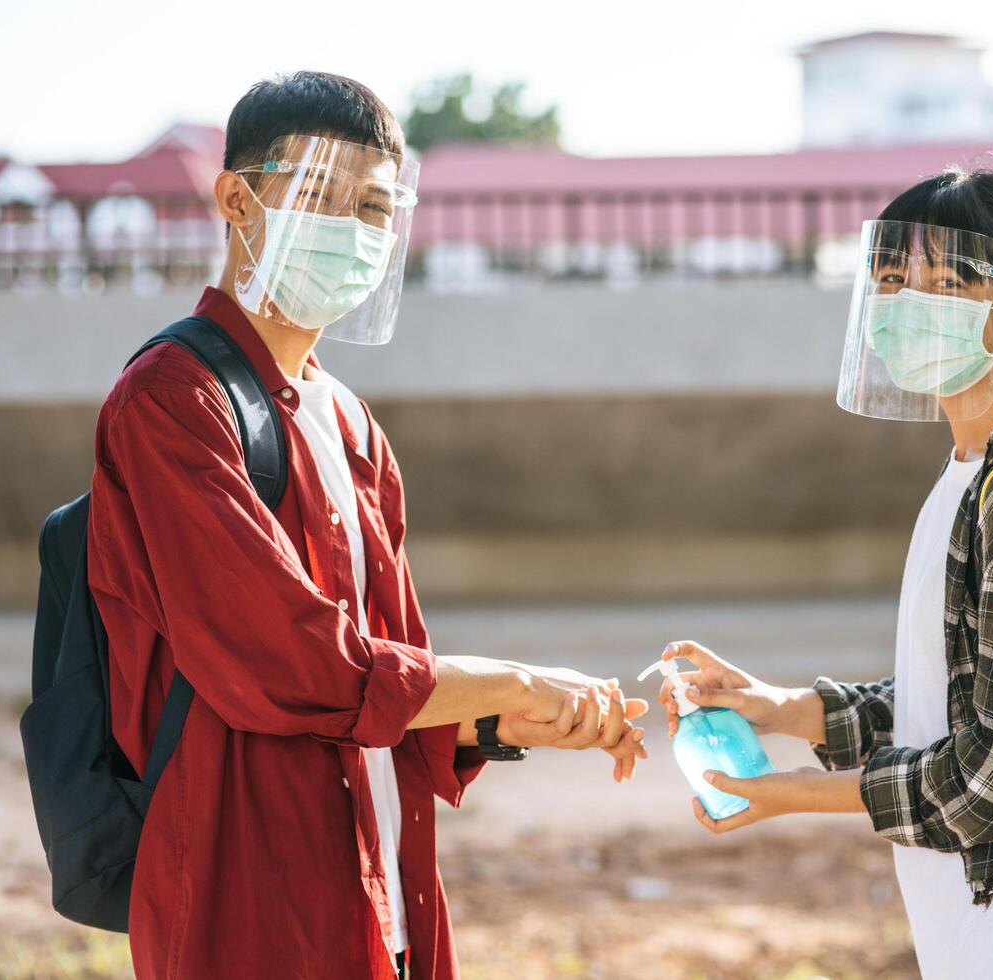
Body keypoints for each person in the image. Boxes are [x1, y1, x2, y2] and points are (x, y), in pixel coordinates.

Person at [87, 71, 647, 980]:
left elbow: (386, 686)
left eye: (376, 206)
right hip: (247, 898)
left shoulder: (351, 424)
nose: (352, 228)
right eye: (320, 195)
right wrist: (516, 676)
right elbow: (298, 664)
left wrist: (505, 725)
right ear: (237, 198)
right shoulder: (172, 398)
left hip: (382, 890)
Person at [654, 170, 993, 979]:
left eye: (946, 280)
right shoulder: (973, 467)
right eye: (892, 278)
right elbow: (961, 695)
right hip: (976, 919)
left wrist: (792, 794)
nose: (908, 301)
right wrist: (783, 709)